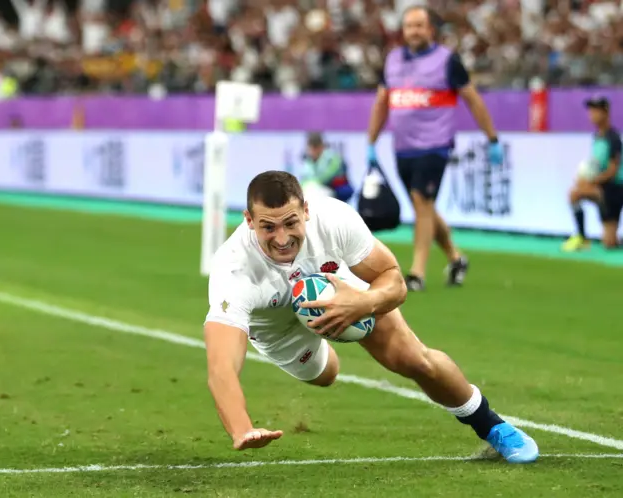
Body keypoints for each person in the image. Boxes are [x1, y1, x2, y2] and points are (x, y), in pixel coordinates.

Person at [204, 170, 539, 463]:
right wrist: (242, 429)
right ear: (249, 221)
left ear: (306, 211)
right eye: (268, 227)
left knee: (414, 359)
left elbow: (394, 280)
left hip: (337, 287)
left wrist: (364, 303)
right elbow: (221, 366)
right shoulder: (233, 270)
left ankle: (492, 425)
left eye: (291, 222)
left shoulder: (334, 218)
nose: (282, 238)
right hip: (277, 328)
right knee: (326, 374)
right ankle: (323, 350)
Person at [367, 6, 504, 291]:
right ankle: (456, 258)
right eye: (408, 26)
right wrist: (371, 141)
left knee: (421, 202)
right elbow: (382, 103)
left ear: (431, 30)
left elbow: (473, 100)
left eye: (419, 25)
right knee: (424, 207)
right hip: (402, 148)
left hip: (435, 146)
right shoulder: (392, 60)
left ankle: (416, 273)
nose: (413, 31)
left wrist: (492, 138)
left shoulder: (447, 61)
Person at [562, 96, 623, 251]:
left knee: (609, 243)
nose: (592, 115)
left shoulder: (613, 138)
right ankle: (582, 237)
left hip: (614, 189)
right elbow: (595, 166)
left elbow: (612, 170)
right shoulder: (597, 137)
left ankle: (598, 238)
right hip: (602, 189)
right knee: (574, 193)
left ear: (605, 112)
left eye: (595, 111)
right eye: (591, 111)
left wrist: (592, 182)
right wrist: (584, 179)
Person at [299, 132, 354, 202]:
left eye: (314, 148)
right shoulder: (308, 160)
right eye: (310, 149)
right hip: (314, 189)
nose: (311, 151)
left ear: (321, 146)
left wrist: (312, 183)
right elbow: (304, 178)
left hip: (333, 188)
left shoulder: (332, 158)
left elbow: (326, 177)